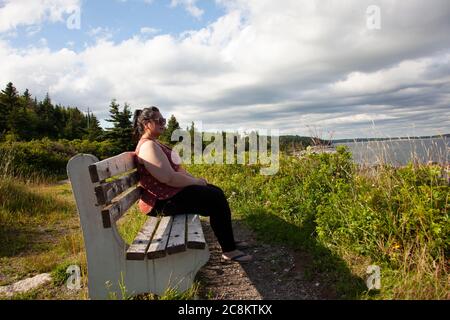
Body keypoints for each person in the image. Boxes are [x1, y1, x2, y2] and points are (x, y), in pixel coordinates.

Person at [132, 106, 252, 262]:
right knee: (215, 198)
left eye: (164, 120)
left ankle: (228, 240)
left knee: (214, 192)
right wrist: (195, 182)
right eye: (159, 120)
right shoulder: (148, 146)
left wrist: (197, 182)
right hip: (161, 202)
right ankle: (229, 250)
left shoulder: (154, 143)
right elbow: (168, 178)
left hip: (168, 195)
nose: (163, 123)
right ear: (146, 123)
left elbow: (176, 173)